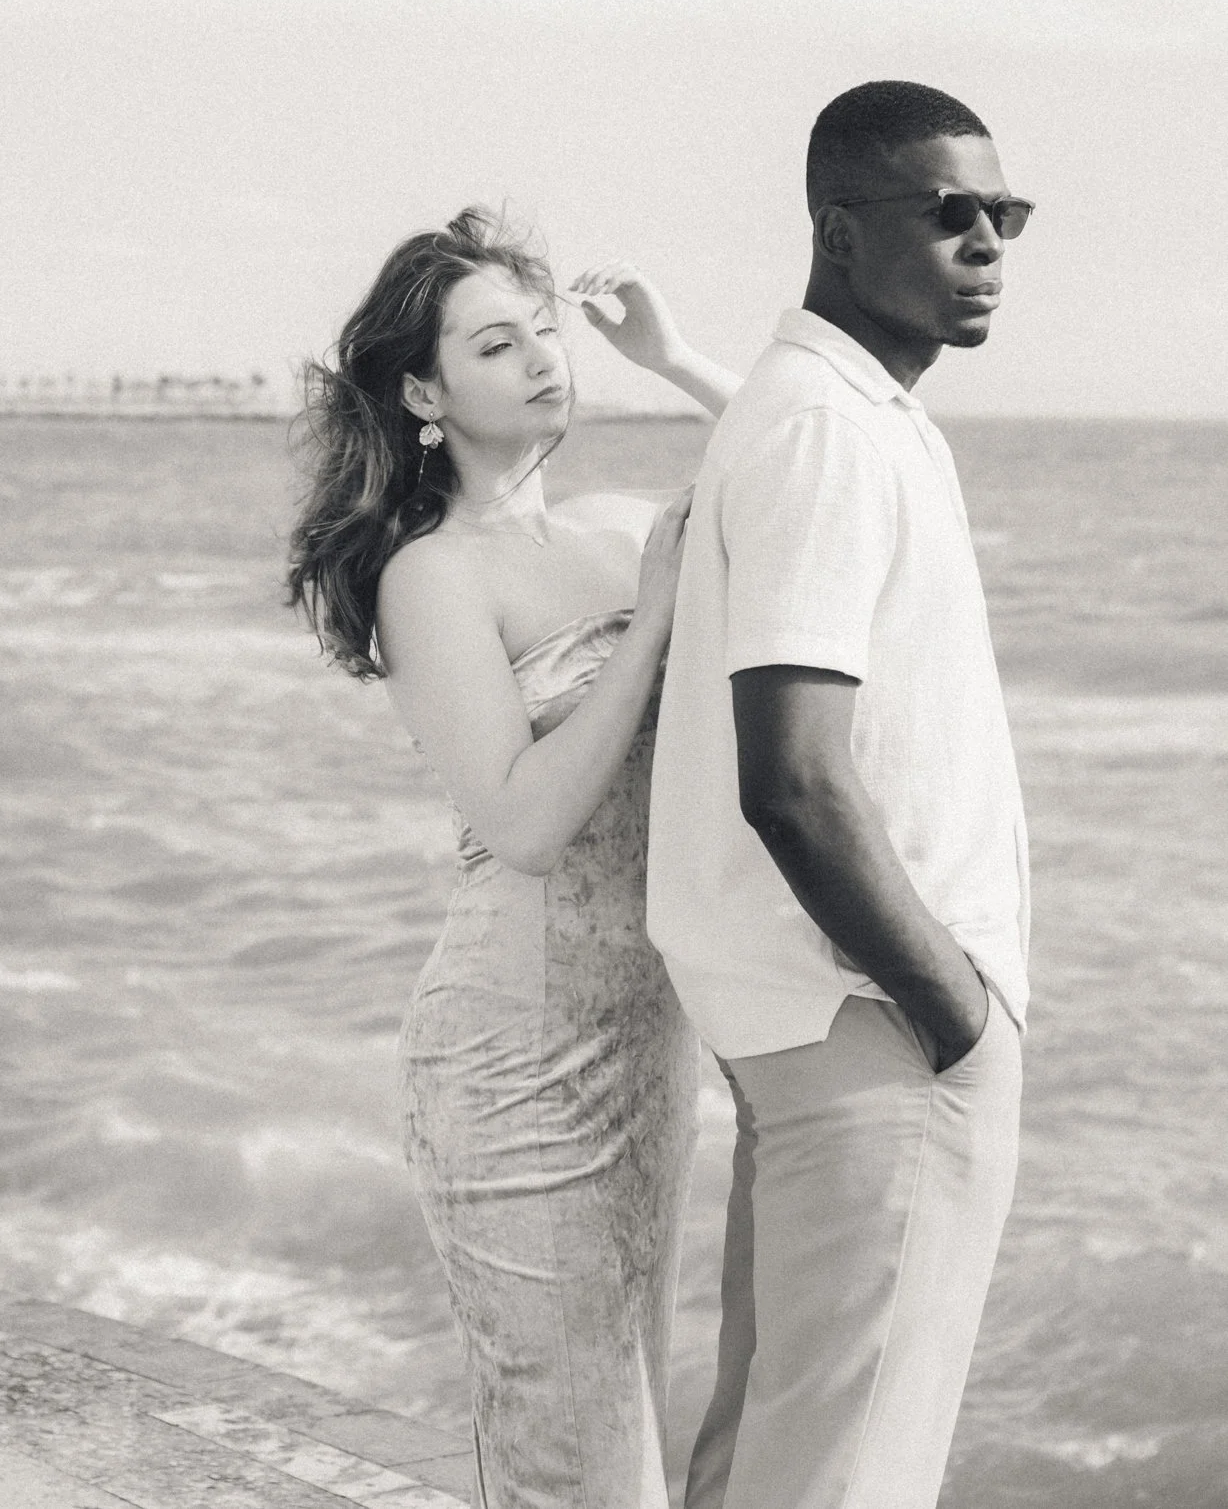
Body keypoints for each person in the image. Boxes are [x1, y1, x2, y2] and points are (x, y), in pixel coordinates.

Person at [287, 208, 740, 1509]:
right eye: (498, 343)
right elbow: (527, 824)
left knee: (617, 1445)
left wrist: (677, 355)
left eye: (547, 329)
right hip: (513, 1063)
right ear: (425, 392)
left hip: (648, 1043)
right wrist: (654, 618)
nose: (546, 356)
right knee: (582, 1475)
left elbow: (820, 466)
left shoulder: (614, 520)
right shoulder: (431, 575)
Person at [648, 81, 1034, 1509]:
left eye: (1007, 214)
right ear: (838, 230)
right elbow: (795, 776)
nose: (987, 242)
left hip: (828, 1026)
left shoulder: (832, 410)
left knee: (772, 1461)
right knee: (842, 1475)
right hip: (875, 1031)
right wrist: (953, 1010)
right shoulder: (824, 430)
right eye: (950, 214)